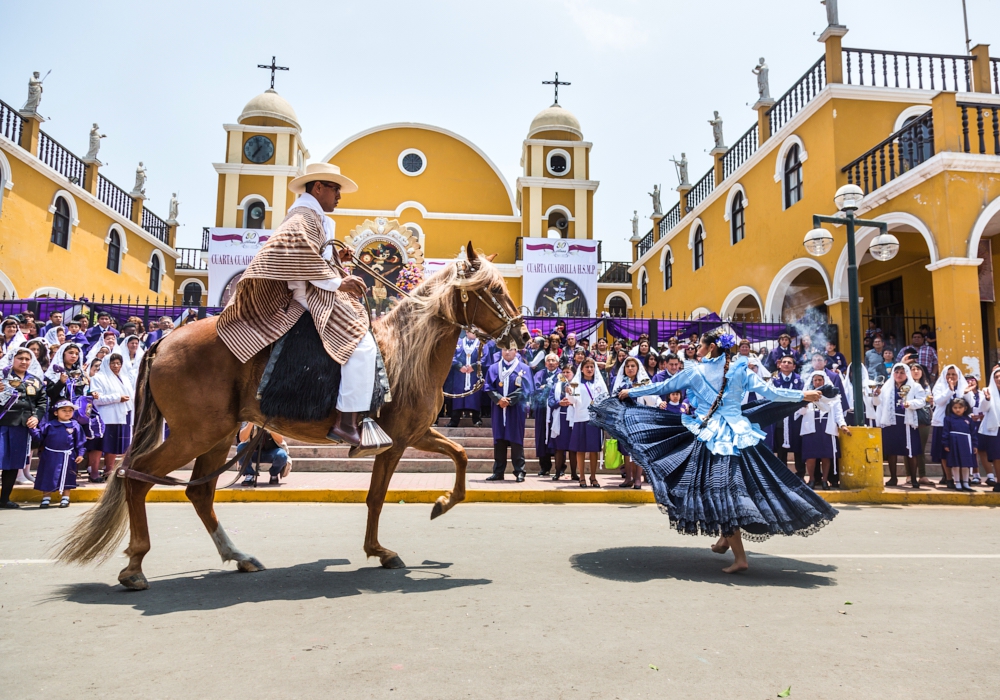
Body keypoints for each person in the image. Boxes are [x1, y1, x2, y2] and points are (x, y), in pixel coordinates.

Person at [606, 330, 831, 573]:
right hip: (741, 435)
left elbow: (664, 386)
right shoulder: (740, 369)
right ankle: (726, 540)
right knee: (734, 489)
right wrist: (802, 395)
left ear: (711, 347)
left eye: (700, 346)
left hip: (711, 436)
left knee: (721, 493)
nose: (696, 349)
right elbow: (772, 393)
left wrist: (632, 392)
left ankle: (740, 558)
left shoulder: (695, 371)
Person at [216, 163, 376, 447]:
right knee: (361, 343)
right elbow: (296, 254)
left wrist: (336, 257)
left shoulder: (312, 216)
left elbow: (307, 254)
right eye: (335, 189)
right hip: (309, 296)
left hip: (316, 289)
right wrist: (339, 282)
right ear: (318, 188)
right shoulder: (303, 216)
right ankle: (346, 422)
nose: (339, 195)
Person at [0, 349, 47, 507]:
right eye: (20, 358)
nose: (24, 362)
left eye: (28, 359)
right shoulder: (2, 377)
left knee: (13, 464)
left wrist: (36, 417)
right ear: (12, 359)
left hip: (22, 427)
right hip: (2, 424)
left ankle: (4, 499)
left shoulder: (35, 380)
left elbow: (42, 402)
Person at [485, 347, 534, 482]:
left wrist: (509, 400)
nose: (507, 352)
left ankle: (520, 471)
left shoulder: (523, 368)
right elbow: (489, 387)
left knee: (516, 438)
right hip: (498, 407)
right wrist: (499, 399)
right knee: (499, 439)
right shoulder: (494, 368)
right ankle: (498, 471)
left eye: (511, 349)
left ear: (516, 351)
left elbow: (526, 388)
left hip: (516, 409)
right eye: (505, 349)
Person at [874, 363, 927, 488]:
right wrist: (876, 395)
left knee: (911, 451)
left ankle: (914, 479)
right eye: (896, 372)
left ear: (907, 374)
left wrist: (910, 403)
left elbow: (922, 400)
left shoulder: (915, 386)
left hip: (907, 422)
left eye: (902, 372)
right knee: (892, 452)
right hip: (890, 422)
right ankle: (893, 478)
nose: (899, 375)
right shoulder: (886, 387)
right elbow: (877, 403)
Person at [797, 371, 851, 489]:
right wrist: (805, 403)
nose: (817, 382)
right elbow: (800, 412)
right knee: (810, 456)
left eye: (820, 380)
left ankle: (825, 480)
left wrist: (842, 425)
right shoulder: (806, 394)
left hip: (827, 427)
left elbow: (838, 412)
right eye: (815, 380)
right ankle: (811, 479)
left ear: (824, 381)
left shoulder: (833, 395)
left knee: (826, 456)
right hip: (810, 427)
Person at [611, 357, 657, 488]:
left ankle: (638, 479)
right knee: (626, 450)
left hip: (639, 420)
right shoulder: (620, 382)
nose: (630, 368)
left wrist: (642, 389)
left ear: (637, 368)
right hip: (623, 420)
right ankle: (628, 478)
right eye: (627, 366)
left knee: (637, 450)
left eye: (633, 366)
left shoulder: (643, 382)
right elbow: (613, 399)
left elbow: (652, 400)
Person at [31, 400, 86, 508]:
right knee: (48, 475)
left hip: (68, 456)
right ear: (56, 413)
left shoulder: (75, 426)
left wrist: (80, 454)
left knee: (68, 476)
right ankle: (46, 498)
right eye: (64, 410)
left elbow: (80, 442)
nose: (67, 413)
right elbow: (39, 437)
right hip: (50, 455)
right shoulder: (49, 425)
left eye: (70, 410)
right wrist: (32, 429)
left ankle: (65, 498)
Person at [90, 353, 134, 479]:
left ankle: (109, 471)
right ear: (107, 364)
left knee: (113, 446)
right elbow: (97, 399)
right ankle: (94, 472)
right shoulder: (98, 378)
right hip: (105, 417)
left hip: (121, 415)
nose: (116, 366)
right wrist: (117, 398)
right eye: (113, 363)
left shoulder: (124, 378)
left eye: (118, 363)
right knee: (99, 446)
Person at [569, 357, 608, 488]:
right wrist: (569, 393)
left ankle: (593, 476)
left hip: (595, 419)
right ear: (582, 369)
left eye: (592, 367)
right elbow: (573, 401)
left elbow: (605, 399)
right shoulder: (575, 383)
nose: (590, 369)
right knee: (580, 449)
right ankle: (582, 477)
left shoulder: (599, 383)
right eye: (587, 367)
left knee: (594, 450)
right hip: (581, 418)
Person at [930, 365, 969, 486]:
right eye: (948, 374)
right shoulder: (940, 386)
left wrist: (967, 394)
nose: (951, 377)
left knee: (958, 451)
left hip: (959, 425)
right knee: (943, 452)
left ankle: (962, 479)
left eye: (954, 374)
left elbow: (970, 403)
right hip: (942, 422)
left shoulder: (963, 386)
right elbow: (938, 401)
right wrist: (950, 390)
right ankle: (948, 478)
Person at [769, 356, 805, 478]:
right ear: (779, 365)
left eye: (789, 362)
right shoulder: (774, 380)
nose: (786, 364)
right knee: (781, 449)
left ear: (794, 366)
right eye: (783, 362)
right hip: (780, 418)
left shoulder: (800, 380)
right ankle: (782, 476)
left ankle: (800, 475)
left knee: (798, 447)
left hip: (795, 418)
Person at [532, 353, 561, 477]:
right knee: (542, 436)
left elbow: (563, 388)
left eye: (553, 360)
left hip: (557, 409)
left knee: (557, 435)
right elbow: (535, 388)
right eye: (548, 360)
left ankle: (560, 466)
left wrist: (547, 387)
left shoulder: (561, 375)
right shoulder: (539, 374)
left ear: (558, 363)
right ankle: (544, 466)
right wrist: (547, 388)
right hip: (542, 408)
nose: (550, 362)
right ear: (545, 363)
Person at [548, 365, 577, 481]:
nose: (565, 374)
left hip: (574, 420)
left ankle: (574, 473)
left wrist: (572, 401)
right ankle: (557, 472)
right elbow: (550, 401)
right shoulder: (556, 386)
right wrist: (559, 403)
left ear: (573, 374)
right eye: (563, 372)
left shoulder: (577, 386)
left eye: (568, 372)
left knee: (573, 449)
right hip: (560, 420)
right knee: (559, 448)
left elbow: (581, 401)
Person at [448, 331, 484, 427]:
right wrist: (459, 366)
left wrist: (474, 366)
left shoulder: (481, 343)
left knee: (475, 396)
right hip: (460, 374)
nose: (474, 333)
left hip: (474, 375)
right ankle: (454, 420)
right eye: (472, 330)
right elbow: (451, 355)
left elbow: (485, 358)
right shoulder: (458, 342)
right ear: (467, 332)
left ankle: (476, 419)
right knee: (458, 396)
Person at [942, 398, 977, 492]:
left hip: (966, 442)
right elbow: (945, 432)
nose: (957, 409)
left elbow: (973, 433)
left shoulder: (968, 420)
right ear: (951, 408)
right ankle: (957, 482)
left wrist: (975, 445)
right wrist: (946, 444)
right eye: (955, 407)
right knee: (955, 463)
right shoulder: (948, 419)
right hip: (954, 443)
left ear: (965, 408)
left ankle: (965, 482)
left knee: (966, 464)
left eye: (960, 407)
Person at [977, 367, 1000, 492]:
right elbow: (983, 409)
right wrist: (987, 399)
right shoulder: (987, 391)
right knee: (997, 456)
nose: (998, 379)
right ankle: (999, 481)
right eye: (996, 377)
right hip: (995, 428)